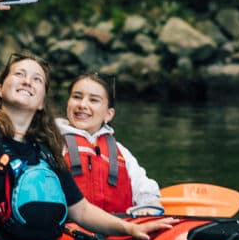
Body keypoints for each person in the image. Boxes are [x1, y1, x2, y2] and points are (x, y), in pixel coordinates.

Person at [0, 0, 150, 240]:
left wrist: (128, 228)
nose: (27, 81)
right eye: (19, 74)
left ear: (43, 100)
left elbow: (80, 211)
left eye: (37, 80)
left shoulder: (45, 150)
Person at [55, 72, 164, 217]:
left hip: (119, 228)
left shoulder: (121, 152)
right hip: (71, 229)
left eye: (93, 100)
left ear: (108, 114)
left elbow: (144, 188)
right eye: (77, 97)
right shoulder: (53, 143)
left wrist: (150, 205)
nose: (82, 105)